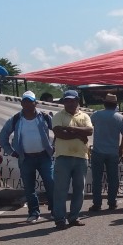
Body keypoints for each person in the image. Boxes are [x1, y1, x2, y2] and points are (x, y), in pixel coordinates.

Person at [0, 90, 55, 224]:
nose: (28, 104)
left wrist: (54, 147)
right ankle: (34, 213)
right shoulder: (16, 119)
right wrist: (12, 152)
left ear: (35, 103)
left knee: (51, 184)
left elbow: (58, 131)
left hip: (44, 157)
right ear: (22, 103)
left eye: (30, 101)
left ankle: (54, 210)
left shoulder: (45, 117)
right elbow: (2, 137)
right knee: (29, 188)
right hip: (25, 158)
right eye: (25, 101)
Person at [51, 89, 93, 229]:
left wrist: (68, 129)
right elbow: (59, 133)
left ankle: (74, 216)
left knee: (79, 189)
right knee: (60, 190)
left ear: (77, 101)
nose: (70, 103)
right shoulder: (58, 115)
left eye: (72, 100)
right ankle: (60, 219)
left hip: (81, 157)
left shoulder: (84, 116)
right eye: (67, 100)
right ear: (63, 102)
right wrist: (78, 134)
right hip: (63, 157)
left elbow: (89, 131)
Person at [89, 94, 123, 213]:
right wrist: (121, 148)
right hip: (113, 152)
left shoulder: (96, 115)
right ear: (116, 104)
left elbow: (88, 128)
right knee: (113, 179)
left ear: (104, 103)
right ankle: (112, 202)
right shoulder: (120, 117)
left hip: (97, 151)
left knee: (97, 179)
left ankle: (97, 204)